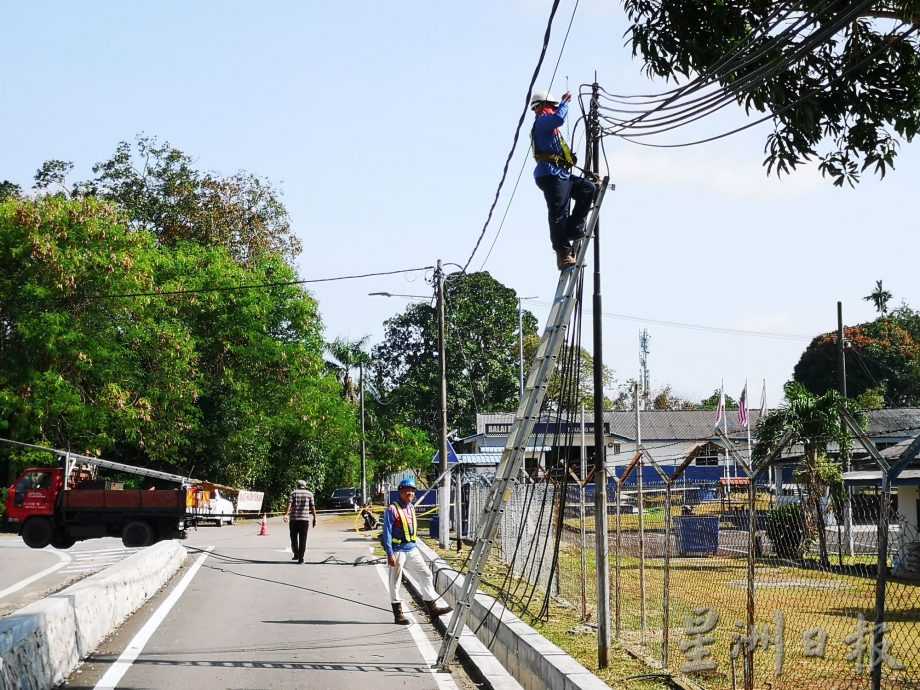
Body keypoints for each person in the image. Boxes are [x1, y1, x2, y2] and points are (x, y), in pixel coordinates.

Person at [530, 90, 596, 271]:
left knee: (587, 188)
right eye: (551, 106)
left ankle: (573, 229)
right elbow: (559, 119)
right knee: (558, 212)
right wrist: (565, 102)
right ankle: (563, 253)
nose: (554, 109)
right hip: (550, 174)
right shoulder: (542, 122)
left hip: (561, 173)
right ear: (542, 107)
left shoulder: (550, 130)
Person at [382, 476, 453, 625]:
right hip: (398, 551)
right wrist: (390, 553)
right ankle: (398, 614)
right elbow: (386, 532)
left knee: (426, 574)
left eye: (412, 491)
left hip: (412, 549)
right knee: (395, 581)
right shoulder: (392, 509)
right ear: (400, 492)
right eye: (407, 491)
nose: (410, 493)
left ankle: (432, 608)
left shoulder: (412, 507)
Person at [282, 479, 317, 564]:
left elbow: (289, 504)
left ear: (297, 486)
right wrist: (315, 518)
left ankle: (296, 553)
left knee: (293, 538)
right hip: (304, 520)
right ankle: (301, 558)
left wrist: (286, 514)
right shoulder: (309, 494)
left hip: (294, 519)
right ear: (305, 486)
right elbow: (312, 507)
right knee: (303, 539)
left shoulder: (293, 493)